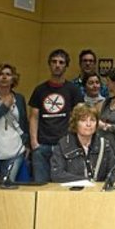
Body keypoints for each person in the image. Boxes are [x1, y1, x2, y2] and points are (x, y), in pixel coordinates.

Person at [29, 49, 84, 182]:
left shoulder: (73, 90)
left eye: (61, 62)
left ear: (66, 66)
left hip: (66, 145)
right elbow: (33, 117)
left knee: (66, 184)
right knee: (40, 185)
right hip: (42, 145)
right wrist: (34, 143)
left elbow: (79, 116)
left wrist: (76, 142)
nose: (57, 65)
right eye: (54, 62)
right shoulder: (39, 90)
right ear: (49, 64)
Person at [50, 103, 115, 183]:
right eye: (83, 120)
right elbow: (57, 174)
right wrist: (86, 181)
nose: (88, 124)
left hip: (98, 190)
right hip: (71, 189)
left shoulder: (104, 144)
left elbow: (114, 171)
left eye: (92, 120)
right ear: (75, 123)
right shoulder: (63, 145)